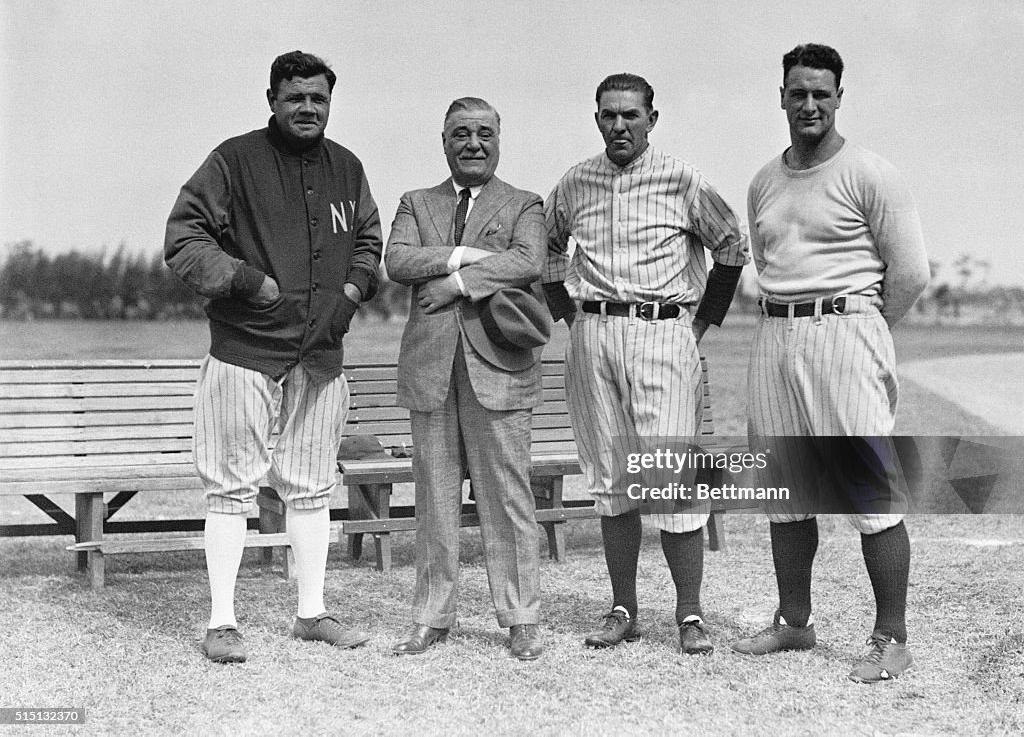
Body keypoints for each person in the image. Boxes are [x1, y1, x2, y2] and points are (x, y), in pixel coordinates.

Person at [165, 50, 383, 663]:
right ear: (271, 100)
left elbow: (368, 240)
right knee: (231, 488)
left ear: (330, 102)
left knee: (311, 487)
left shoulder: (347, 166)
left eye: (318, 98)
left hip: (320, 354)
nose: (307, 108)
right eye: (295, 97)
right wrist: (245, 280)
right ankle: (221, 621)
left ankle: (311, 613)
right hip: (245, 349)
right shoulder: (234, 159)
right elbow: (183, 238)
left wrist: (351, 291)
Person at [732, 43, 929, 683]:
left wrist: (862, 329)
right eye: (798, 93)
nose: (809, 104)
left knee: (868, 487)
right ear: (782, 98)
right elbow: (765, 261)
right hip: (775, 334)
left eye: (821, 93)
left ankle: (891, 637)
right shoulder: (764, 180)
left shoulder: (870, 172)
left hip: (846, 330)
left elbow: (911, 273)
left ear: (840, 97)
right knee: (785, 489)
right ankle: (795, 621)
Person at [542, 74, 749, 654]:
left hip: (663, 329)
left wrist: (701, 324)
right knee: (611, 480)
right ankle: (623, 609)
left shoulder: (683, 180)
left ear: (651, 119)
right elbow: (546, 248)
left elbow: (731, 246)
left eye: (630, 115)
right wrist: (567, 316)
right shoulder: (575, 181)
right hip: (594, 330)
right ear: (597, 119)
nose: (619, 125)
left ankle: (689, 614)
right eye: (608, 115)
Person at [384, 97, 548, 661]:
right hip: (431, 371)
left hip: (500, 370)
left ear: (498, 141)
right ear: (444, 141)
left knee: (508, 498)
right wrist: (465, 254)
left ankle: (521, 618)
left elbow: (529, 260)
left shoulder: (525, 203)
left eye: (483, 133)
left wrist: (456, 284)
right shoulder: (415, 202)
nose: (472, 143)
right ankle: (431, 617)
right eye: (460, 134)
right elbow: (398, 261)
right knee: (434, 500)